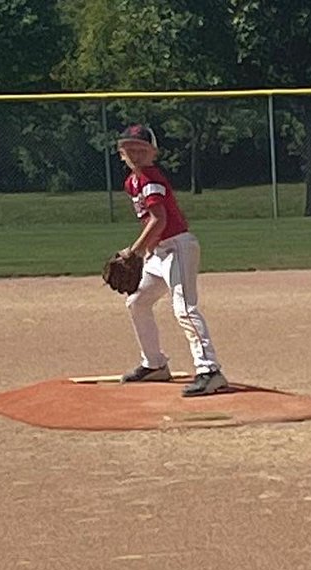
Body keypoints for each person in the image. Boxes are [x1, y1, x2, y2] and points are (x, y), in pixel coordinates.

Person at [114, 123, 228, 397]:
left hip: (178, 248)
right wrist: (148, 250)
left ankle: (210, 370)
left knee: (184, 309)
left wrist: (134, 251)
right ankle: (154, 364)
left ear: (153, 153)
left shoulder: (151, 179)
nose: (135, 154)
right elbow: (152, 224)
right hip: (161, 252)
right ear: (121, 153)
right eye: (129, 149)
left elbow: (159, 220)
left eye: (142, 149)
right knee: (137, 302)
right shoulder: (132, 182)